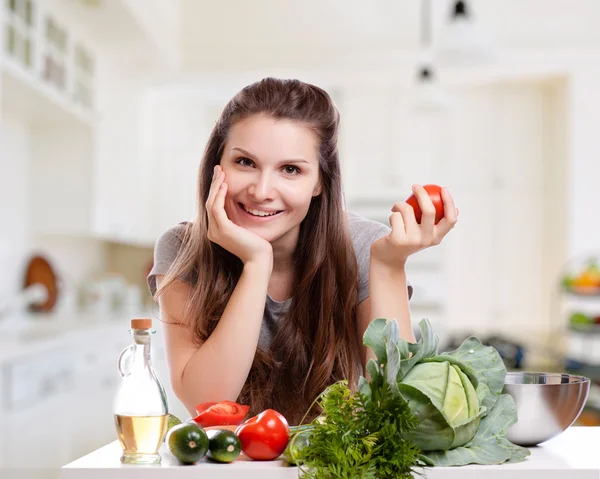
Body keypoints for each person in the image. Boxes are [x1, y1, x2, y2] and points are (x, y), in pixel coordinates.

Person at [147, 77, 458, 425]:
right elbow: (207, 404)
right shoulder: (182, 249)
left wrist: (387, 266)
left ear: (319, 182)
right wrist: (256, 262)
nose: (262, 191)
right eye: (245, 163)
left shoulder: (362, 245)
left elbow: (398, 406)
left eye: (290, 169)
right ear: (217, 165)